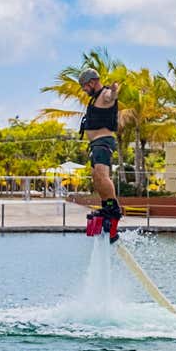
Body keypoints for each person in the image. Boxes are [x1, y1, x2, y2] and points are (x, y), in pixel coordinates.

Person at [78, 68, 122, 243]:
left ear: (92, 82)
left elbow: (111, 96)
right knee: (96, 177)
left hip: (104, 141)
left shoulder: (104, 95)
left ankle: (113, 211)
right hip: (95, 144)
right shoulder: (95, 99)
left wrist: (114, 90)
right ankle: (106, 208)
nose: (83, 89)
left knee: (102, 176)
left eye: (84, 86)